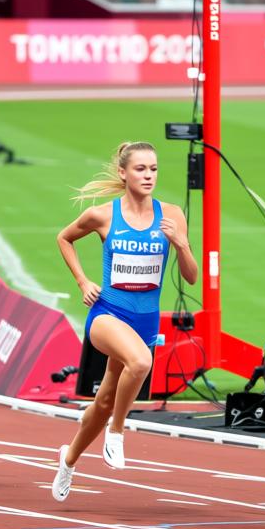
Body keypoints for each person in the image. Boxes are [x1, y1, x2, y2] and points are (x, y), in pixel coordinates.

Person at [50, 141, 198, 501]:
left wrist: (181, 245)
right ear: (123, 173)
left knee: (102, 402)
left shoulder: (172, 215)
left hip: (146, 322)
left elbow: (191, 278)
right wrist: (84, 281)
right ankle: (117, 431)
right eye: (140, 169)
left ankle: (67, 461)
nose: (148, 176)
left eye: (154, 169)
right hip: (107, 314)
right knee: (141, 362)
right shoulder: (103, 215)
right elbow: (64, 238)